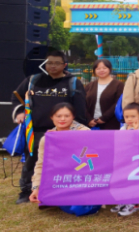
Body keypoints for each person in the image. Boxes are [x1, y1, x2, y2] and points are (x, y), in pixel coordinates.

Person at [11, 50, 86, 205]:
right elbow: (16, 97)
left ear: (64, 65)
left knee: (63, 161)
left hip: (63, 132)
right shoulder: (33, 80)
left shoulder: (72, 83)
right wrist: (20, 112)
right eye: (49, 63)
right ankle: (27, 190)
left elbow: (80, 109)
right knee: (32, 160)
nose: (53, 66)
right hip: (36, 130)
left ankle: (59, 189)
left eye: (57, 63)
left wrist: (76, 132)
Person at [29, 103, 90, 205]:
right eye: (58, 116)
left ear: (73, 117)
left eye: (67, 116)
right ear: (51, 117)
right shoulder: (47, 138)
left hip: (81, 174)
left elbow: (90, 158)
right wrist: (36, 187)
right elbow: (41, 164)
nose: (62, 119)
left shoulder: (85, 133)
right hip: (59, 177)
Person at [113, 103, 139, 217]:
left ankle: (133, 204)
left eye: (133, 116)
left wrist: (136, 131)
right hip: (124, 160)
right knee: (123, 181)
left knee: (133, 182)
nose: (129, 119)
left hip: (137, 162)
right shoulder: (123, 128)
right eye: (126, 116)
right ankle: (123, 201)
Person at [84, 58, 124, 131]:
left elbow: (118, 103)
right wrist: (89, 119)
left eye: (104, 68)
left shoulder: (119, 85)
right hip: (92, 124)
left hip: (111, 123)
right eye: (98, 68)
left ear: (109, 69)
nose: (101, 70)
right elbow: (83, 103)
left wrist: (104, 118)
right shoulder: (90, 85)